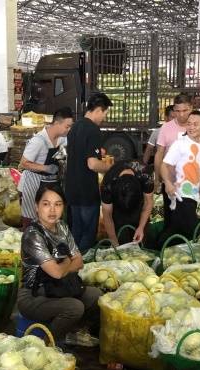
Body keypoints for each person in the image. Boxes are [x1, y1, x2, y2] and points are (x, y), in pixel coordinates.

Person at [17, 185, 101, 347]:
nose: (52, 210)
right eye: (46, 204)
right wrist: (69, 260)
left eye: (58, 204)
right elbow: (57, 272)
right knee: (74, 307)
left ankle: (73, 332)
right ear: (36, 207)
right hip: (33, 295)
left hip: (60, 287)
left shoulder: (62, 226)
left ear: (63, 207)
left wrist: (64, 265)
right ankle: (47, 345)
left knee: (95, 295)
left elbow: (80, 262)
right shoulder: (32, 235)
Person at [65, 92, 113, 252]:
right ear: (98, 110)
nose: (104, 117)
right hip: (86, 192)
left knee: (76, 232)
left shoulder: (74, 127)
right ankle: (82, 263)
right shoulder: (93, 130)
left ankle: (71, 263)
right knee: (88, 234)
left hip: (72, 190)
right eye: (105, 113)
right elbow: (92, 164)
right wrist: (109, 168)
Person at [160, 110, 200, 242]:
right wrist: (167, 183)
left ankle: (160, 247)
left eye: (195, 124)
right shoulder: (180, 143)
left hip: (194, 195)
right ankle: (160, 247)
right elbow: (164, 165)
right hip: (180, 194)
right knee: (189, 230)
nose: (191, 127)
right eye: (189, 124)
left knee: (177, 230)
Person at [19, 107, 74, 229]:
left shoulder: (62, 139)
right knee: (32, 220)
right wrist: (46, 168)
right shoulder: (38, 141)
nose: (69, 129)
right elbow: (23, 163)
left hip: (50, 183)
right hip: (33, 183)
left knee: (48, 218)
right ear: (57, 123)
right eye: (67, 126)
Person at [100, 160, 154, 246]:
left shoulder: (145, 175)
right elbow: (107, 215)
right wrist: (113, 240)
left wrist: (141, 227)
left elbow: (148, 203)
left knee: (141, 240)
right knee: (121, 239)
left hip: (138, 207)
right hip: (118, 211)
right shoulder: (108, 183)